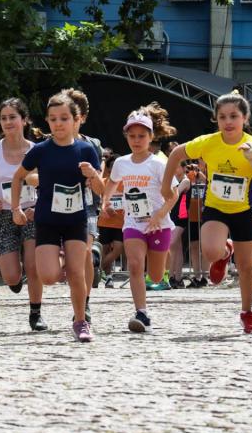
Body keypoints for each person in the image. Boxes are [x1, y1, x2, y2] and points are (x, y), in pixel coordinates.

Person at [161, 92, 252, 334]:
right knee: (210, 251)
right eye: (222, 116)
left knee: (246, 266)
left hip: (244, 209)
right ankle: (225, 252)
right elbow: (176, 154)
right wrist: (166, 185)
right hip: (215, 208)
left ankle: (247, 312)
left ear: (245, 118)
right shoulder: (208, 142)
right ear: (216, 119)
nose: (228, 121)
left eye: (234, 116)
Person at [11, 92, 103, 343]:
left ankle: (81, 321)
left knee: (76, 273)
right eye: (53, 119)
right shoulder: (41, 150)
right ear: (48, 122)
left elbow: (101, 190)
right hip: (47, 220)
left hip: (76, 219)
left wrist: (93, 174)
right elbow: (18, 177)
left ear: (76, 120)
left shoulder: (86, 149)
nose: (58, 123)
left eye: (64, 118)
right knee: (49, 276)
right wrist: (16, 208)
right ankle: (60, 257)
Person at [102, 105, 178, 332]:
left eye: (142, 136)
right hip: (133, 222)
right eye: (132, 136)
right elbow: (112, 182)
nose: (136, 140)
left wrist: (159, 215)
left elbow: (173, 194)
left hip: (159, 223)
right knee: (134, 265)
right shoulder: (121, 163)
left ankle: (157, 271)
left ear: (151, 137)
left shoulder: (159, 164)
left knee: (155, 275)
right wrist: (105, 201)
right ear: (126, 136)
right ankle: (141, 312)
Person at [0, 98, 48, 331]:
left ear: (24, 120)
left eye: (12, 117)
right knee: (10, 277)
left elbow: (47, 182)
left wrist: (37, 199)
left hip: (31, 212)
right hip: (5, 214)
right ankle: (16, 280)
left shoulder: (36, 151)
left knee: (33, 263)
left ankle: (35, 312)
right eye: (3, 118)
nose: (8, 122)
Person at [61, 88, 103, 323]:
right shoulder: (50, 143)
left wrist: (96, 180)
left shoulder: (92, 144)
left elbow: (100, 172)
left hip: (87, 203)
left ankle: (84, 303)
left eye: (71, 116)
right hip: (57, 206)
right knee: (67, 257)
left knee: (83, 252)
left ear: (81, 118)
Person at [96, 148, 125, 289]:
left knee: (118, 249)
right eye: (113, 168)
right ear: (108, 169)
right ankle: (108, 278)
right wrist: (105, 207)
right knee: (104, 249)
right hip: (105, 221)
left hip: (120, 222)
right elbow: (97, 200)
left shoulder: (126, 183)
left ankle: (95, 269)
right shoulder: (103, 182)